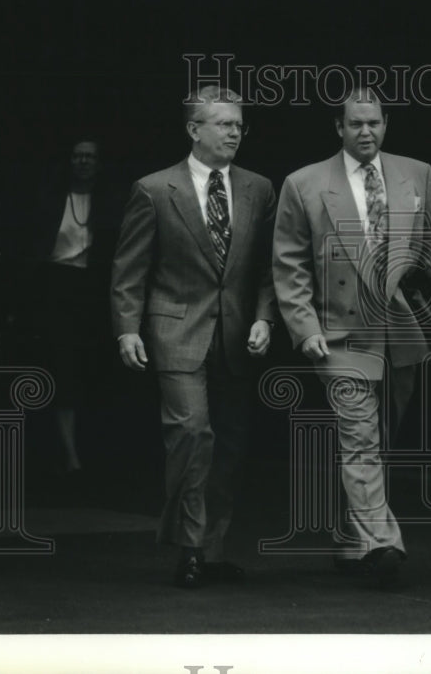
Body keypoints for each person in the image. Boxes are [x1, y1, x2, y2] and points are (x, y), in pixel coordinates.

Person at [272, 87, 431, 588]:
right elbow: (289, 262)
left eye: (374, 123)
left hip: (399, 327)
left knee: (380, 438)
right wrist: (304, 328)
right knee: (359, 437)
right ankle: (383, 540)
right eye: (355, 124)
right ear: (337, 128)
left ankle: (350, 537)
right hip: (339, 332)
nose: (366, 132)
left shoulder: (415, 173)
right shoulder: (303, 183)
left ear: (386, 125)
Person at [110, 85, 277, 589]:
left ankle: (212, 549)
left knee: (228, 445)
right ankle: (188, 548)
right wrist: (125, 329)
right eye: (223, 123)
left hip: (236, 337)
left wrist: (266, 317)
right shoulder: (155, 189)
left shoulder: (259, 189)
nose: (234, 132)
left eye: (239, 124)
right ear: (193, 129)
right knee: (191, 434)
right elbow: (128, 270)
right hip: (175, 330)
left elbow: (271, 268)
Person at [17, 137, 120, 478]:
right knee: (62, 367)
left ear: (99, 163)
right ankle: (68, 453)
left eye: (90, 156)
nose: (83, 162)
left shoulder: (108, 204)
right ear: (69, 161)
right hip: (56, 287)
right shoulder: (48, 199)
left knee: (92, 365)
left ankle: (94, 450)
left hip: (93, 290)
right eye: (77, 156)